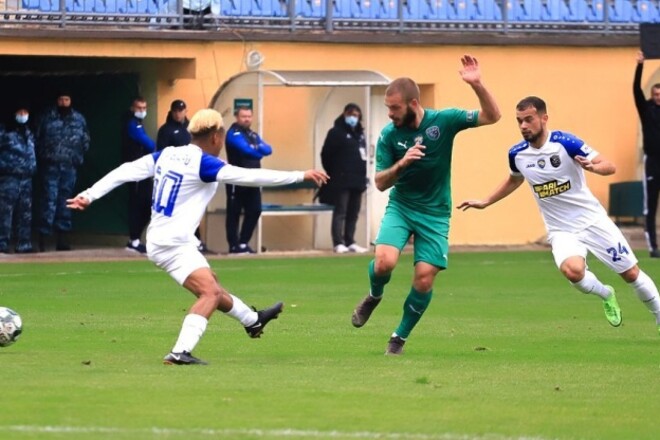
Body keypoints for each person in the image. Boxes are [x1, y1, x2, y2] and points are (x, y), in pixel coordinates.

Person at [67, 109, 329, 365]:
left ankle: (252, 320)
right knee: (210, 294)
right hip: (172, 244)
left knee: (212, 285)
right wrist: (299, 175)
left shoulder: (167, 154)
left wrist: (89, 194)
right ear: (216, 137)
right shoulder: (205, 164)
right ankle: (180, 352)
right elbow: (251, 176)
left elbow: (125, 170)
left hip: (165, 238)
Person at [458, 96, 660, 335]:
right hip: (561, 230)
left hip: (592, 221)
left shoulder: (566, 142)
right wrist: (486, 201)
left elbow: (609, 165)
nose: (523, 126)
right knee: (572, 271)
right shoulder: (517, 154)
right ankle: (605, 293)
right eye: (519, 121)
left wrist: (594, 167)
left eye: (529, 120)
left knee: (631, 274)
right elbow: (514, 179)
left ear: (544, 118)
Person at [350, 55, 501, 355]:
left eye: (395, 108)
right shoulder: (389, 136)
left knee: (424, 277)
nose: (390, 113)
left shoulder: (444, 121)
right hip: (402, 206)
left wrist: (478, 85)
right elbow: (380, 182)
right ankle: (373, 295)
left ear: (414, 104)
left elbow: (492, 116)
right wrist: (402, 164)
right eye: (387, 108)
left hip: (435, 213)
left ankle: (399, 338)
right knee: (384, 263)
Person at [35, 90, 90, 252]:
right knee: (48, 200)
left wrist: (75, 156)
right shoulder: (46, 117)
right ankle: (43, 239)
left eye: (66, 99)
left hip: (69, 166)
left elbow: (85, 140)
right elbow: (37, 139)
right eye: (61, 99)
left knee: (66, 201)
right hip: (50, 166)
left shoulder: (79, 119)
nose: (64, 102)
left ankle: (62, 239)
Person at [156, 99, 212, 254]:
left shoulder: (191, 130)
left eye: (181, 111)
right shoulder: (166, 130)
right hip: (173, 176)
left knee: (193, 208)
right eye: (175, 111)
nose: (178, 114)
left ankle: (196, 241)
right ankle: (170, 242)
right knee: (173, 209)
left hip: (192, 174)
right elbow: (161, 152)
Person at [320, 103, 369, 254]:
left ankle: (350, 240)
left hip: (358, 179)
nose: (354, 118)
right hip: (341, 179)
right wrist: (334, 171)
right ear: (345, 114)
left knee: (353, 212)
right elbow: (325, 155)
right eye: (351, 115)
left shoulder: (360, 134)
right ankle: (338, 242)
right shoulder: (336, 132)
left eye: (356, 116)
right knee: (340, 211)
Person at [225, 105, 273, 254]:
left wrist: (255, 148)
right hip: (237, 179)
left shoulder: (252, 134)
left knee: (255, 210)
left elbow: (268, 149)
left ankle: (243, 242)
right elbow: (247, 151)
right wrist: (256, 149)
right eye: (243, 116)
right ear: (237, 117)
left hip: (253, 179)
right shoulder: (233, 133)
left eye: (249, 116)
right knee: (234, 212)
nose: (246, 119)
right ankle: (234, 245)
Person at [633, 51, 660, 258]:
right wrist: (640, 66)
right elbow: (635, 91)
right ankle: (652, 247)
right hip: (652, 162)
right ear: (652, 95)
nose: (658, 97)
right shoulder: (647, 109)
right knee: (650, 205)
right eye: (656, 94)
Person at [0, 103, 36, 254]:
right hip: (9, 177)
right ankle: (2, 242)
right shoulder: (4, 131)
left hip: (27, 178)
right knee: (5, 212)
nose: (23, 115)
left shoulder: (29, 132)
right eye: (20, 111)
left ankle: (24, 244)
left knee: (25, 212)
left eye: (25, 111)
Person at [122, 96, 155, 254]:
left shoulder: (138, 124)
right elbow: (148, 143)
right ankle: (133, 240)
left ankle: (135, 238)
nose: (142, 111)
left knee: (148, 204)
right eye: (139, 108)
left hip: (143, 170)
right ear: (132, 108)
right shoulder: (132, 124)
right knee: (136, 205)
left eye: (144, 108)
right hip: (135, 170)